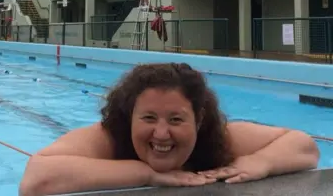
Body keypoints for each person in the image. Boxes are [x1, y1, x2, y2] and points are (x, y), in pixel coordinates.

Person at [19, 63, 319, 196]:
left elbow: (303, 145)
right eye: (149, 118)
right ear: (130, 117)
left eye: (176, 120)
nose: (161, 134)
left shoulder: (216, 139)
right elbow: (36, 179)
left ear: (198, 120)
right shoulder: (111, 137)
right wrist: (147, 174)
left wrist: (257, 162)